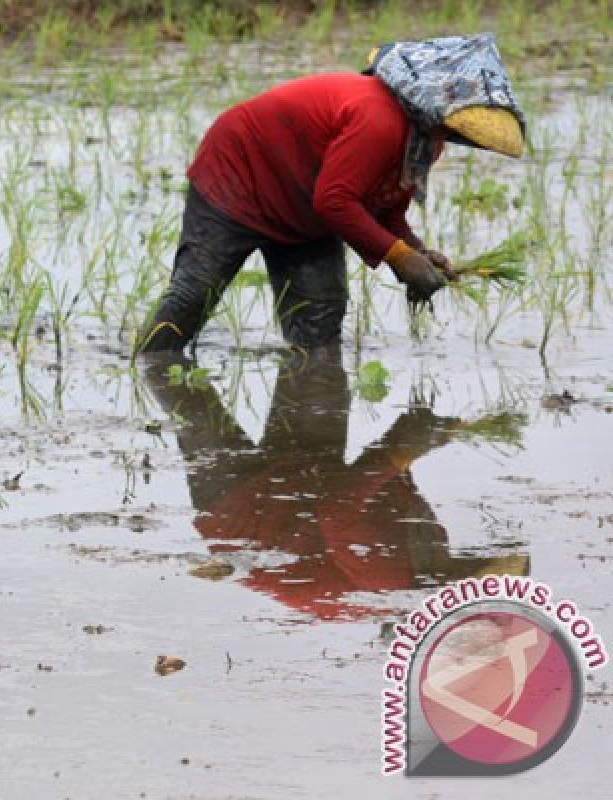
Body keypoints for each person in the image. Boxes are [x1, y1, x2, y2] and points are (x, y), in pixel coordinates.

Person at [139, 34, 525, 353]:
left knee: (320, 317)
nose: (454, 138)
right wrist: (399, 258)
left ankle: (308, 424)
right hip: (238, 179)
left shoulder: (424, 142)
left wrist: (417, 251)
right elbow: (335, 201)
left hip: (302, 205)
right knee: (192, 296)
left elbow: (385, 208)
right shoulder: (378, 120)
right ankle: (148, 370)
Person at [144, 349, 528, 620]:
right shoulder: (430, 555)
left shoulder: (390, 577)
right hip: (300, 485)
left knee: (188, 400)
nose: (483, 557)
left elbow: (335, 512)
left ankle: (153, 353)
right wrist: (409, 445)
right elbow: (389, 492)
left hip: (239, 516)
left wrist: (396, 454)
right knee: (317, 370)